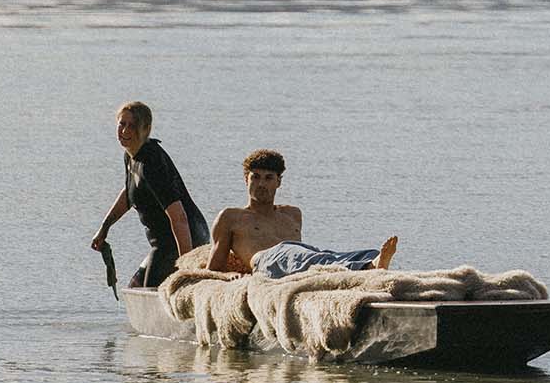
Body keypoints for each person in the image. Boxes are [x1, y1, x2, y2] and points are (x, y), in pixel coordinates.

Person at [206, 148, 397, 278]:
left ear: (278, 182)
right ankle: (367, 268)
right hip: (266, 262)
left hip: (296, 262)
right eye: (255, 177)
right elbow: (213, 268)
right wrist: (228, 275)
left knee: (326, 255)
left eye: (268, 178)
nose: (261, 184)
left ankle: (370, 263)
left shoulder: (292, 214)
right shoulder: (231, 217)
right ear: (245, 180)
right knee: (293, 253)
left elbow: (303, 258)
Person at [91, 102, 210, 289]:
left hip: (183, 239)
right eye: (122, 124)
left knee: (147, 292)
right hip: (165, 243)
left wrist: (187, 267)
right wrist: (104, 228)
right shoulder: (131, 155)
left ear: (146, 129)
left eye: (132, 126)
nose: (125, 131)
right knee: (136, 289)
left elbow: (179, 217)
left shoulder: (152, 162)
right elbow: (130, 192)